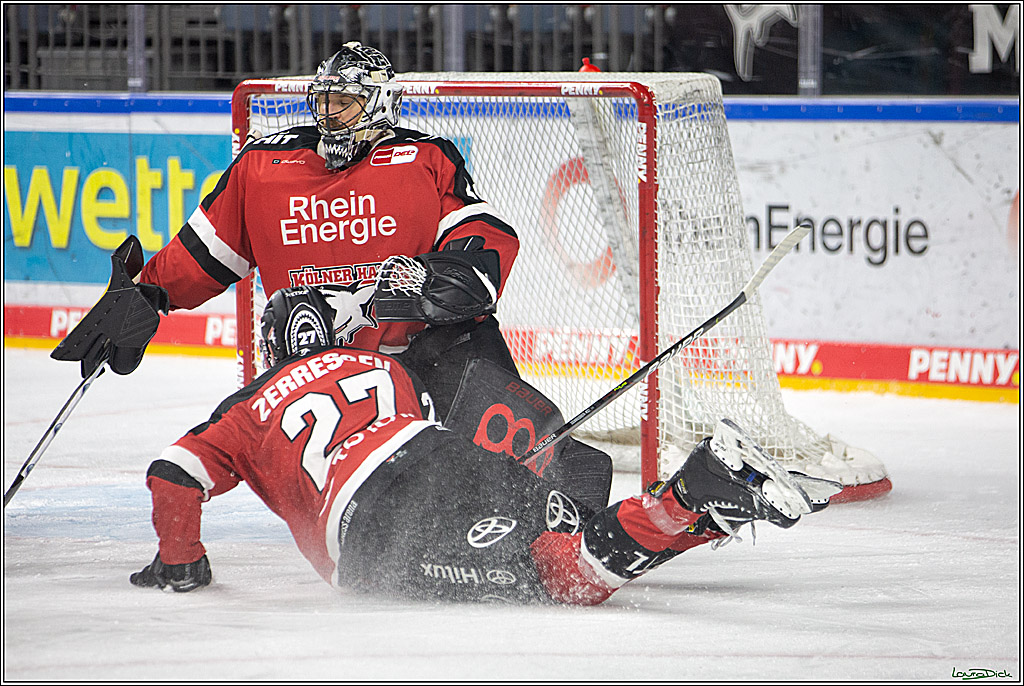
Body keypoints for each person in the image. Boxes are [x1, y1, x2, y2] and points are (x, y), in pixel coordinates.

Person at [54, 41, 612, 506]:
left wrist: (428, 284)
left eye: (344, 102)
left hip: (430, 355)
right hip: (321, 372)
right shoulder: (264, 166)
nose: (329, 115)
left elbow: (480, 244)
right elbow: (205, 254)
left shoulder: (424, 159)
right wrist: (147, 294)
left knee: (538, 478)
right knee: (390, 500)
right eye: (323, 101)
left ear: (380, 103)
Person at [129, 286, 841, 604]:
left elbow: (174, 471)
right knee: (569, 545)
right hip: (443, 452)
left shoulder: (246, 409)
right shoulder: (383, 367)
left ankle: (692, 492)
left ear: (273, 346)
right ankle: (706, 506)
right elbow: (446, 427)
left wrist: (181, 562)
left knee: (560, 579)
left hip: (375, 530)